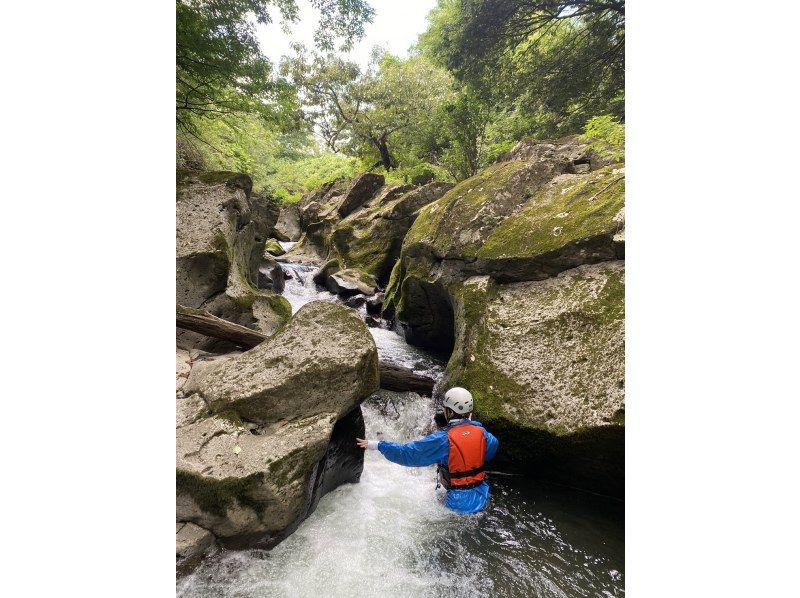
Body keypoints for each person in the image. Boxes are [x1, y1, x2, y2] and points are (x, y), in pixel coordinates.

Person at [356, 387, 499, 514]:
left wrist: (377, 444)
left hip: (457, 506)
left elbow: (409, 454)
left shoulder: (443, 439)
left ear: (448, 411)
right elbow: (489, 450)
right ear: (470, 411)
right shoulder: (485, 435)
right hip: (482, 497)